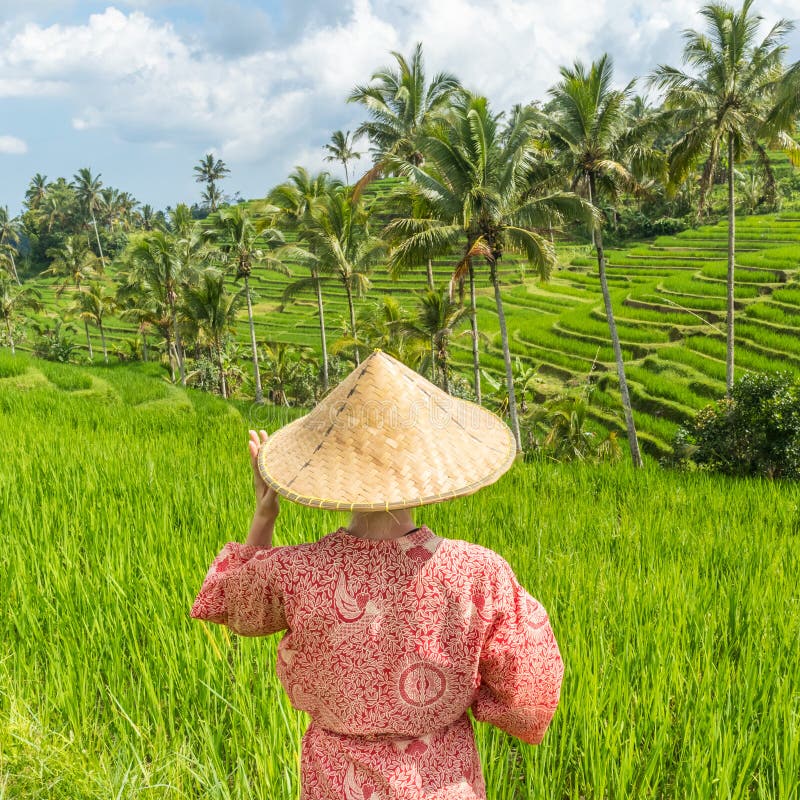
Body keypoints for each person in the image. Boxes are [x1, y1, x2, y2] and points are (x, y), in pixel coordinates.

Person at [191, 350, 564, 800]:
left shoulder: (299, 571)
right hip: (442, 780)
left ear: (331, 472)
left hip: (337, 781)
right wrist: (469, 700)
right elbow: (531, 688)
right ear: (427, 471)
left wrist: (264, 512)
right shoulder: (479, 574)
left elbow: (232, 601)